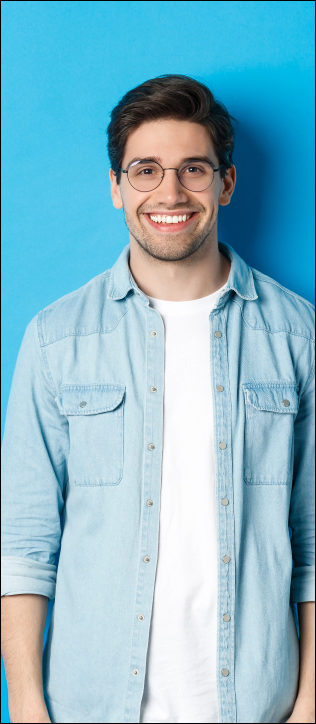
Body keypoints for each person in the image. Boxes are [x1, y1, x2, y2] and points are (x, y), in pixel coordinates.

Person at [1, 74, 315, 724]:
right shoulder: (57, 339)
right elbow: (24, 545)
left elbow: (313, 541)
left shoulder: (298, 337)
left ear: (226, 183)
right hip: (90, 708)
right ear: (116, 187)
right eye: (145, 170)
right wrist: (28, 709)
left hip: (259, 707)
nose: (169, 193)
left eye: (193, 169)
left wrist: (309, 705)